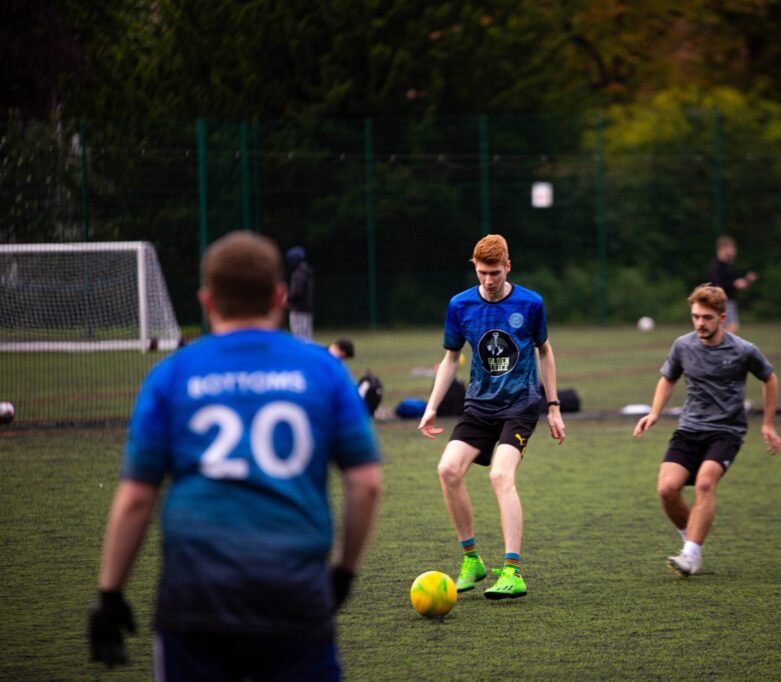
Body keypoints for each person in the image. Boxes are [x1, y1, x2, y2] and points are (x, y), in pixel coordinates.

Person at [88, 231, 382, 680]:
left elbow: (136, 498)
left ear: (207, 301)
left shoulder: (172, 375)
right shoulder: (324, 369)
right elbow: (366, 484)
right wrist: (343, 574)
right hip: (294, 595)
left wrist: (110, 594)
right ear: (280, 297)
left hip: (195, 600)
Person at [417, 234, 565, 600]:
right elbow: (451, 359)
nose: (488, 280)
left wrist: (554, 406)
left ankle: (512, 572)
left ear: (507, 267)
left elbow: (545, 352)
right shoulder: (460, 305)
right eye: (482, 272)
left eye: (495, 273)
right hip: (479, 406)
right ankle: (472, 560)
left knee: (500, 475)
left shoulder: (531, 303)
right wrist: (431, 406)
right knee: (448, 470)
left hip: (520, 405)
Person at [633, 283, 781, 577]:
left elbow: (770, 378)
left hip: (726, 431)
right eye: (695, 317)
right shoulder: (683, 345)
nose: (700, 323)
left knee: (704, 484)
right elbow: (668, 378)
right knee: (667, 489)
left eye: (707, 318)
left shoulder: (743, 350)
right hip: (690, 428)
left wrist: (768, 423)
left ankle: (690, 554)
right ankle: (690, 540)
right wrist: (654, 413)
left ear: (722, 318)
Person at [707, 235, 757, 333]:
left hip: (730, 301)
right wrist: (734, 284)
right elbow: (717, 285)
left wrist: (747, 281)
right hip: (722, 301)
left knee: (729, 329)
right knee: (730, 328)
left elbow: (735, 284)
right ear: (723, 249)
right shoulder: (716, 267)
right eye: (731, 248)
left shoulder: (729, 266)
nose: (734, 251)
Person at [287, 245, 315, 340]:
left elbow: (296, 292)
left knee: (299, 338)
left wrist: (287, 298)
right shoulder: (307, 272)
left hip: (298, 310)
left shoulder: (298, 274)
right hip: (307, 309)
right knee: (307, 338)